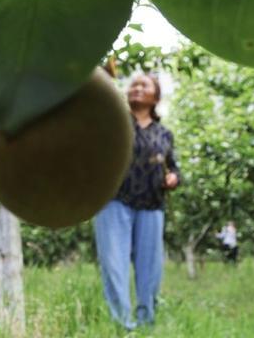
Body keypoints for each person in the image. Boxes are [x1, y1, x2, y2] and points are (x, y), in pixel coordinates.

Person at [94, 72, 180, 331]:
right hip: (114, 201)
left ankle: (146, 324)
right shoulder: (115, 124)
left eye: (144, 85)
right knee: (113, 265)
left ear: (155, 96)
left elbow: (173, 167)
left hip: (152, 205)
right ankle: (123, 326)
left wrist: (174, 178)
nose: (137, 88)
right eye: (133, 85)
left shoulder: (164, 134)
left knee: (150, 270)